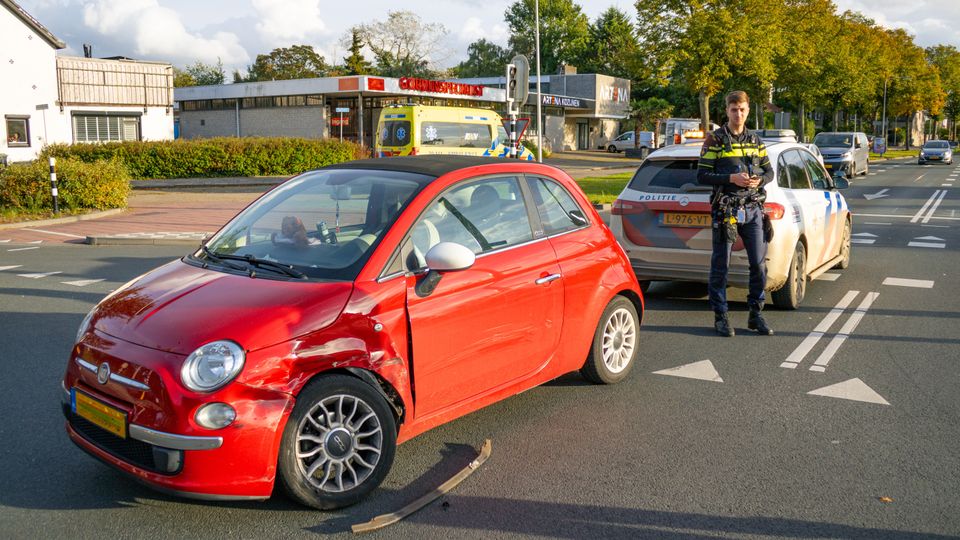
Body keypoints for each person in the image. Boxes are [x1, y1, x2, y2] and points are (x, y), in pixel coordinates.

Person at [697, 90, 774, 337]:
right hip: (726, 209)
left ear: (748, 111)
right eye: (733, 109)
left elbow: (770, 173)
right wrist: (730, 178)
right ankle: (721, 316)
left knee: (759, 265)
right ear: (727, 111)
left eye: (742, 109)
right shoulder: (715, 140)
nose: (738, 114)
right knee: (721, 265)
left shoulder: (756, 141)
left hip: (753, 209)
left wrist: (758, 180)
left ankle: (756, 314)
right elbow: (701, 175)